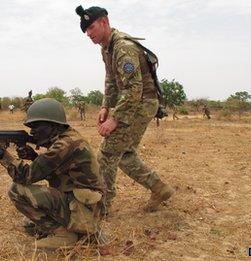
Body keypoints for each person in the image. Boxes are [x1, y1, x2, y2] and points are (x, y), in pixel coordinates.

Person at [0, 98, 107, 250]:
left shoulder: (65, 144)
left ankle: (65, 235)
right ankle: (71, 229)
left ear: (53, 125)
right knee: (30, 225)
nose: (32, 132)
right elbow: (57, 173)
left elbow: (25, 176)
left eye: (37, 126)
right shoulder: (68, 138)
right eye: (31, 127)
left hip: (85, 211)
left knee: (16, 190)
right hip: (84, 204)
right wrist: (34, 157)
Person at [76, 5, 174, 212]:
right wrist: (105, 106)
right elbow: (111, 79)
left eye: (91, 27)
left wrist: (116, 119)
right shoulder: (107, 48)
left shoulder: (122, 47)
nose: (88, 34)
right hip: (137, 102)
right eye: (86, 31)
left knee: (108, 153)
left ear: (104, 22)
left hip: (142, 102)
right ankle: (159, 187)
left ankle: (101, 205)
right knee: (125, 154)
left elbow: (133, 87)